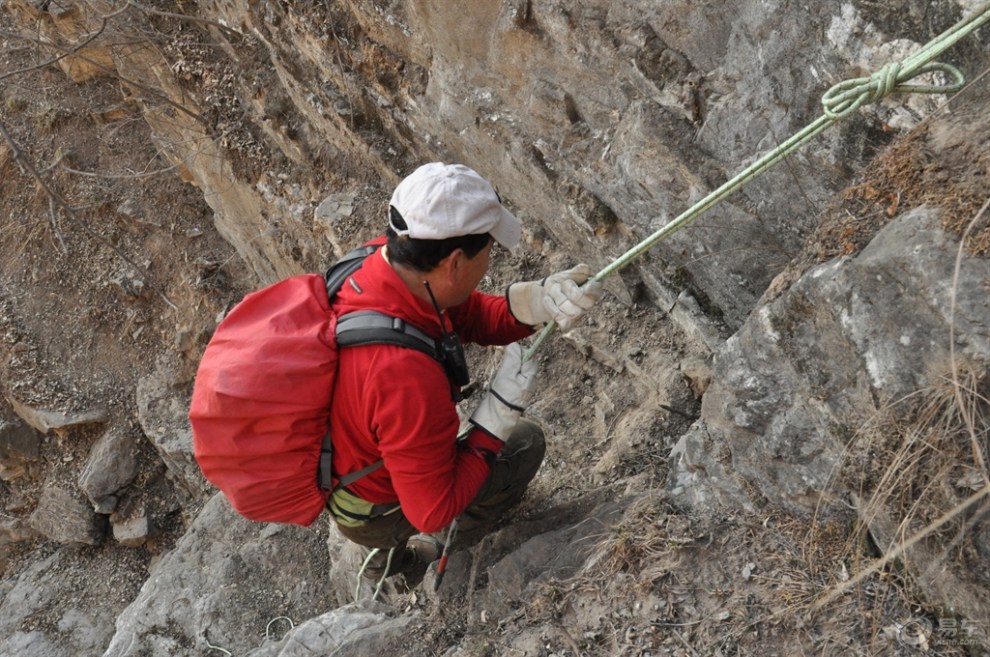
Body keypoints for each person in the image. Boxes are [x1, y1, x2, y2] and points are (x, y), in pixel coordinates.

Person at [327, 162, 603, 584]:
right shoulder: (403, 378)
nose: (489, 264)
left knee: (387, 509)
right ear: (455, 262)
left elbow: (460, 312)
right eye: (488, 252)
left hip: (348, 467)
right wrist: (498, 415)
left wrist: (533, 303)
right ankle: (428, 552)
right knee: (523, 444)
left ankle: (385, 561)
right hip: (374, 507)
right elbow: (431, 509)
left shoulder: (382, 266)